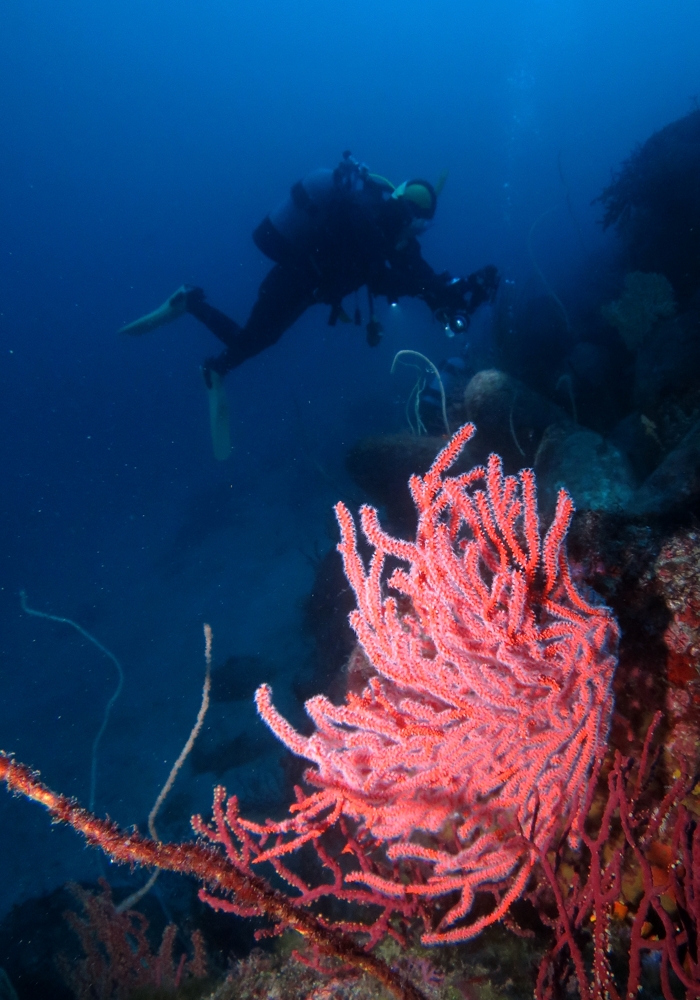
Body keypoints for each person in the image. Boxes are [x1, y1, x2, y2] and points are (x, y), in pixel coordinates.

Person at [120, 152, 499, 456]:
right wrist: (435, 290)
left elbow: (415, 274)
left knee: (258, 339)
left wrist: (458, 289)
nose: (417, 235)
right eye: (420, 225)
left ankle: (208, 341)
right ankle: (198, 319)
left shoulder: (386, 229)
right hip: (293, 281)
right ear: (410, 214)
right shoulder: (369, 222)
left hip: (306, 288)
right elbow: (389, 276)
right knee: (256, 338)